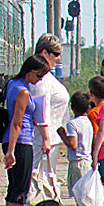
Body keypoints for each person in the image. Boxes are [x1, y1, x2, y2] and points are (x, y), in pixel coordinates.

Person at [2, 54, 52, 206]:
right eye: (38, 75)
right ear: (30, 72)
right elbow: (16, 124)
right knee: (20, 190)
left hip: (14, 142)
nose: (39, 79)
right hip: (21, 143)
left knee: (14, 187)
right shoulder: (23, 92)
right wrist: (11, 152)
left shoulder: (12, 84)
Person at [28, 33, 70, 177]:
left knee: (44, 176)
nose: (59, 58)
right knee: (39, 176)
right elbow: (40, 110)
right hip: (41, 141)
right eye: (56, 54)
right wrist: (46, 138)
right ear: (44, 52)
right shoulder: (40, 80)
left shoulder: (46, 77)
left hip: (49, 139)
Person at [57, 91, 93, 197]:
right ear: (88, 107)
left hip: (78, 163)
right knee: (86, 194)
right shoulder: (88, 121)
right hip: (87, 160)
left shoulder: (72, 124)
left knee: (79, 194)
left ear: (72, 107)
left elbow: (73, 145)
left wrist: (62, 134)